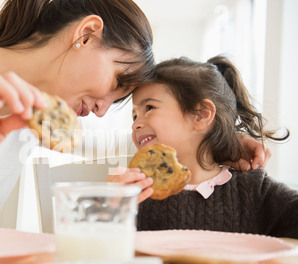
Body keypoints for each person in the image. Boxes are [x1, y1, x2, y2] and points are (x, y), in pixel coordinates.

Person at [0, 0, 266, 241]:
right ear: (85, 35)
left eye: (118, 103)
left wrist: (217, 141)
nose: (102, 110)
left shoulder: (37, 118)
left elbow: (127, 146)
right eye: (116, 82)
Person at [109, 55, 297, 238]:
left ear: (200, 115)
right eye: (134, 115)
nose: (135, 124)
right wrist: (106, 207)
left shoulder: (254, 189)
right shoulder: (134, 193)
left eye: (149, 108)